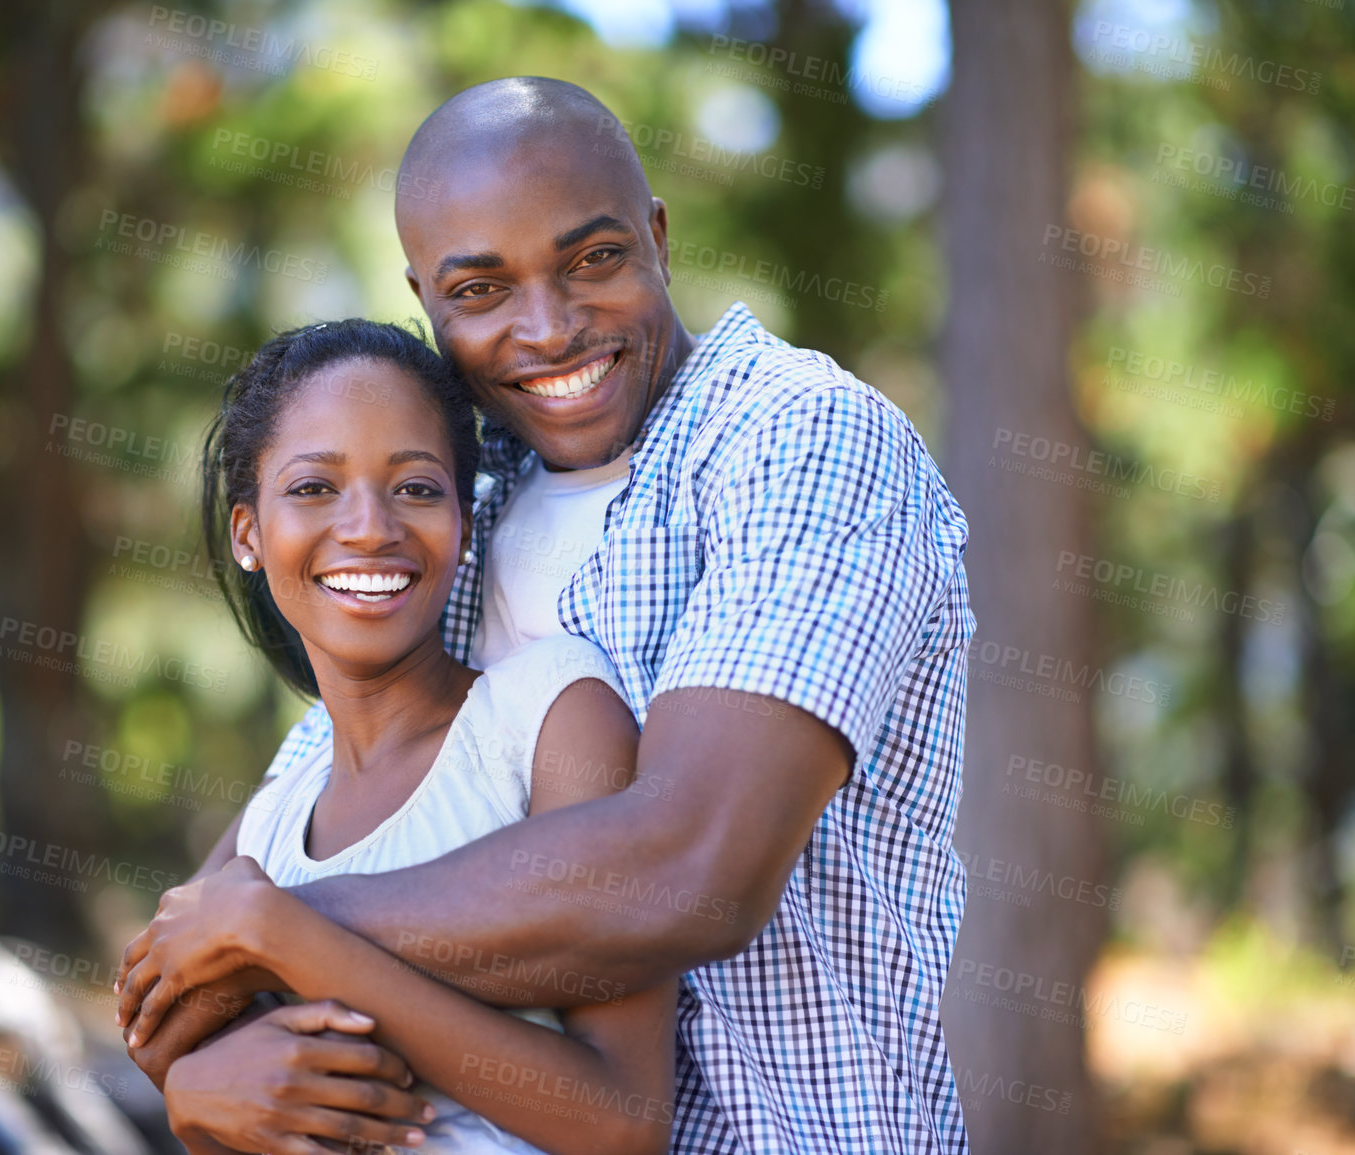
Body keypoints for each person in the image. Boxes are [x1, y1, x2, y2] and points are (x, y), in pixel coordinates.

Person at [120, 76, 976, 1154]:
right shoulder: (457, 511)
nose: (549, 327)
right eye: (481, 290)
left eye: (593, 260)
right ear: (427, 299)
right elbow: (198, 940)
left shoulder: (797, 443)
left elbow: (691, 869)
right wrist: (196, 1078)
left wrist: (282, 936)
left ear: (658, 238)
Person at [148, 317, 678, 1155]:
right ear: (248, 531)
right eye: (314, 488)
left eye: (417, 488)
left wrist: (289, 937)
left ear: (464, 525)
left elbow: (624, 1122)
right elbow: (156, 1032)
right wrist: (192, 1095)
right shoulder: (275, 818)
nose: (368, 527)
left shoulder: (547, 717)